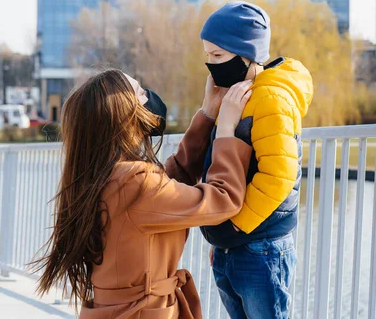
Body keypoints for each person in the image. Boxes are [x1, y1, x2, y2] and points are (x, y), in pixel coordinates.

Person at [33, 69, 254, 318]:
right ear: (124, 114)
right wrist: (226, 129)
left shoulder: (101, 176)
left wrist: (207, 113)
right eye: (140, 92)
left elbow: (168, 185)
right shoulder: (133, 182)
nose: (149, 98)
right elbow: (223, 199)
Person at [199, 1, 314, 318]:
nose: (210, 64)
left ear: (247, 53)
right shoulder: (235, 95)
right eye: (207, 55)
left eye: (218, 55)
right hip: (235, 245)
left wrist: (234, 227)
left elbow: (278, 176)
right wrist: (221, 237)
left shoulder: (269, 97)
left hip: (259, 246)